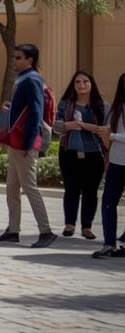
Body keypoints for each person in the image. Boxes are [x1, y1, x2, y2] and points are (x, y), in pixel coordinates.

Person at [0, 43, 55, 248]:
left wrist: (29, 143)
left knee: (30, 187)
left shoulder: (32, 79)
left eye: (18, 58)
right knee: (12, 187)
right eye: (14, 57)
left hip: (24, 143)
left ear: (30, 60)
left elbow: (36, 112)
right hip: (16, 141)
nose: (14, 61)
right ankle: (13, 230)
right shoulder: (23, 78)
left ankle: (46, 231)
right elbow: (25, 109)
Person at [56, 70, 108, 239]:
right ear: (73, 85)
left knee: (90, 191)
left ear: (91, 84)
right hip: (69, 152)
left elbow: (106, 130)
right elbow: (56, 127)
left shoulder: (101, 106)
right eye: (78, 82)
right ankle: (69, 224)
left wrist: (87, 126)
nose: (81, 85)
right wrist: (68, 125)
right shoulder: (65, 104)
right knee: (71, 189)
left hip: (94, 154)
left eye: (85, 81)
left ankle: (87, 226)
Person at [94, 72, 125, 259]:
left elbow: (112, 135)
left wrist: (112, 136)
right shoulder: (116, 109)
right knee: (108, 203)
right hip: (116, 162)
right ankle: (109, 243)